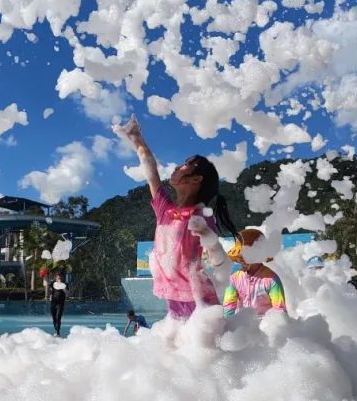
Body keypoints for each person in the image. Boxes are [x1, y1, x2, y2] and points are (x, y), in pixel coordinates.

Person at [118, 115, 239, 319]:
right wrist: (137, 140)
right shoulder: (165, 210)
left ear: (196, 179)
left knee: (208, 350)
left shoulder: (200, 216)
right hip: (174, 298)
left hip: (200, 299)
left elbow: (216, 254)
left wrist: (208, 237)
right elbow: (151, 173)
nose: (176, 167)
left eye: (185, 165)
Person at [222, 228, 286, 317]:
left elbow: (280, 310)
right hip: (243, 324)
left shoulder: (271, 279)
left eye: (245, 257)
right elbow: (228, 308)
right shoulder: (234, 279)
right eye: (240, 257)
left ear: (259, 256)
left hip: (265, 324)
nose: (241, 260)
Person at [50, 272, 67, 336]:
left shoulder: (65, 284)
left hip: (60, 304)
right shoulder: (53, 284)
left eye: (60, 276)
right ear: (56, 277)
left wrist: (64, 289)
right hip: (53, 304)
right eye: (58, 276)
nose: (59, 277)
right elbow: (50, 287)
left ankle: (57, 331)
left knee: (58, 318)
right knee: (54, 318)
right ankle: (56, 329)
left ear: (62, 277)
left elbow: (68, 293)